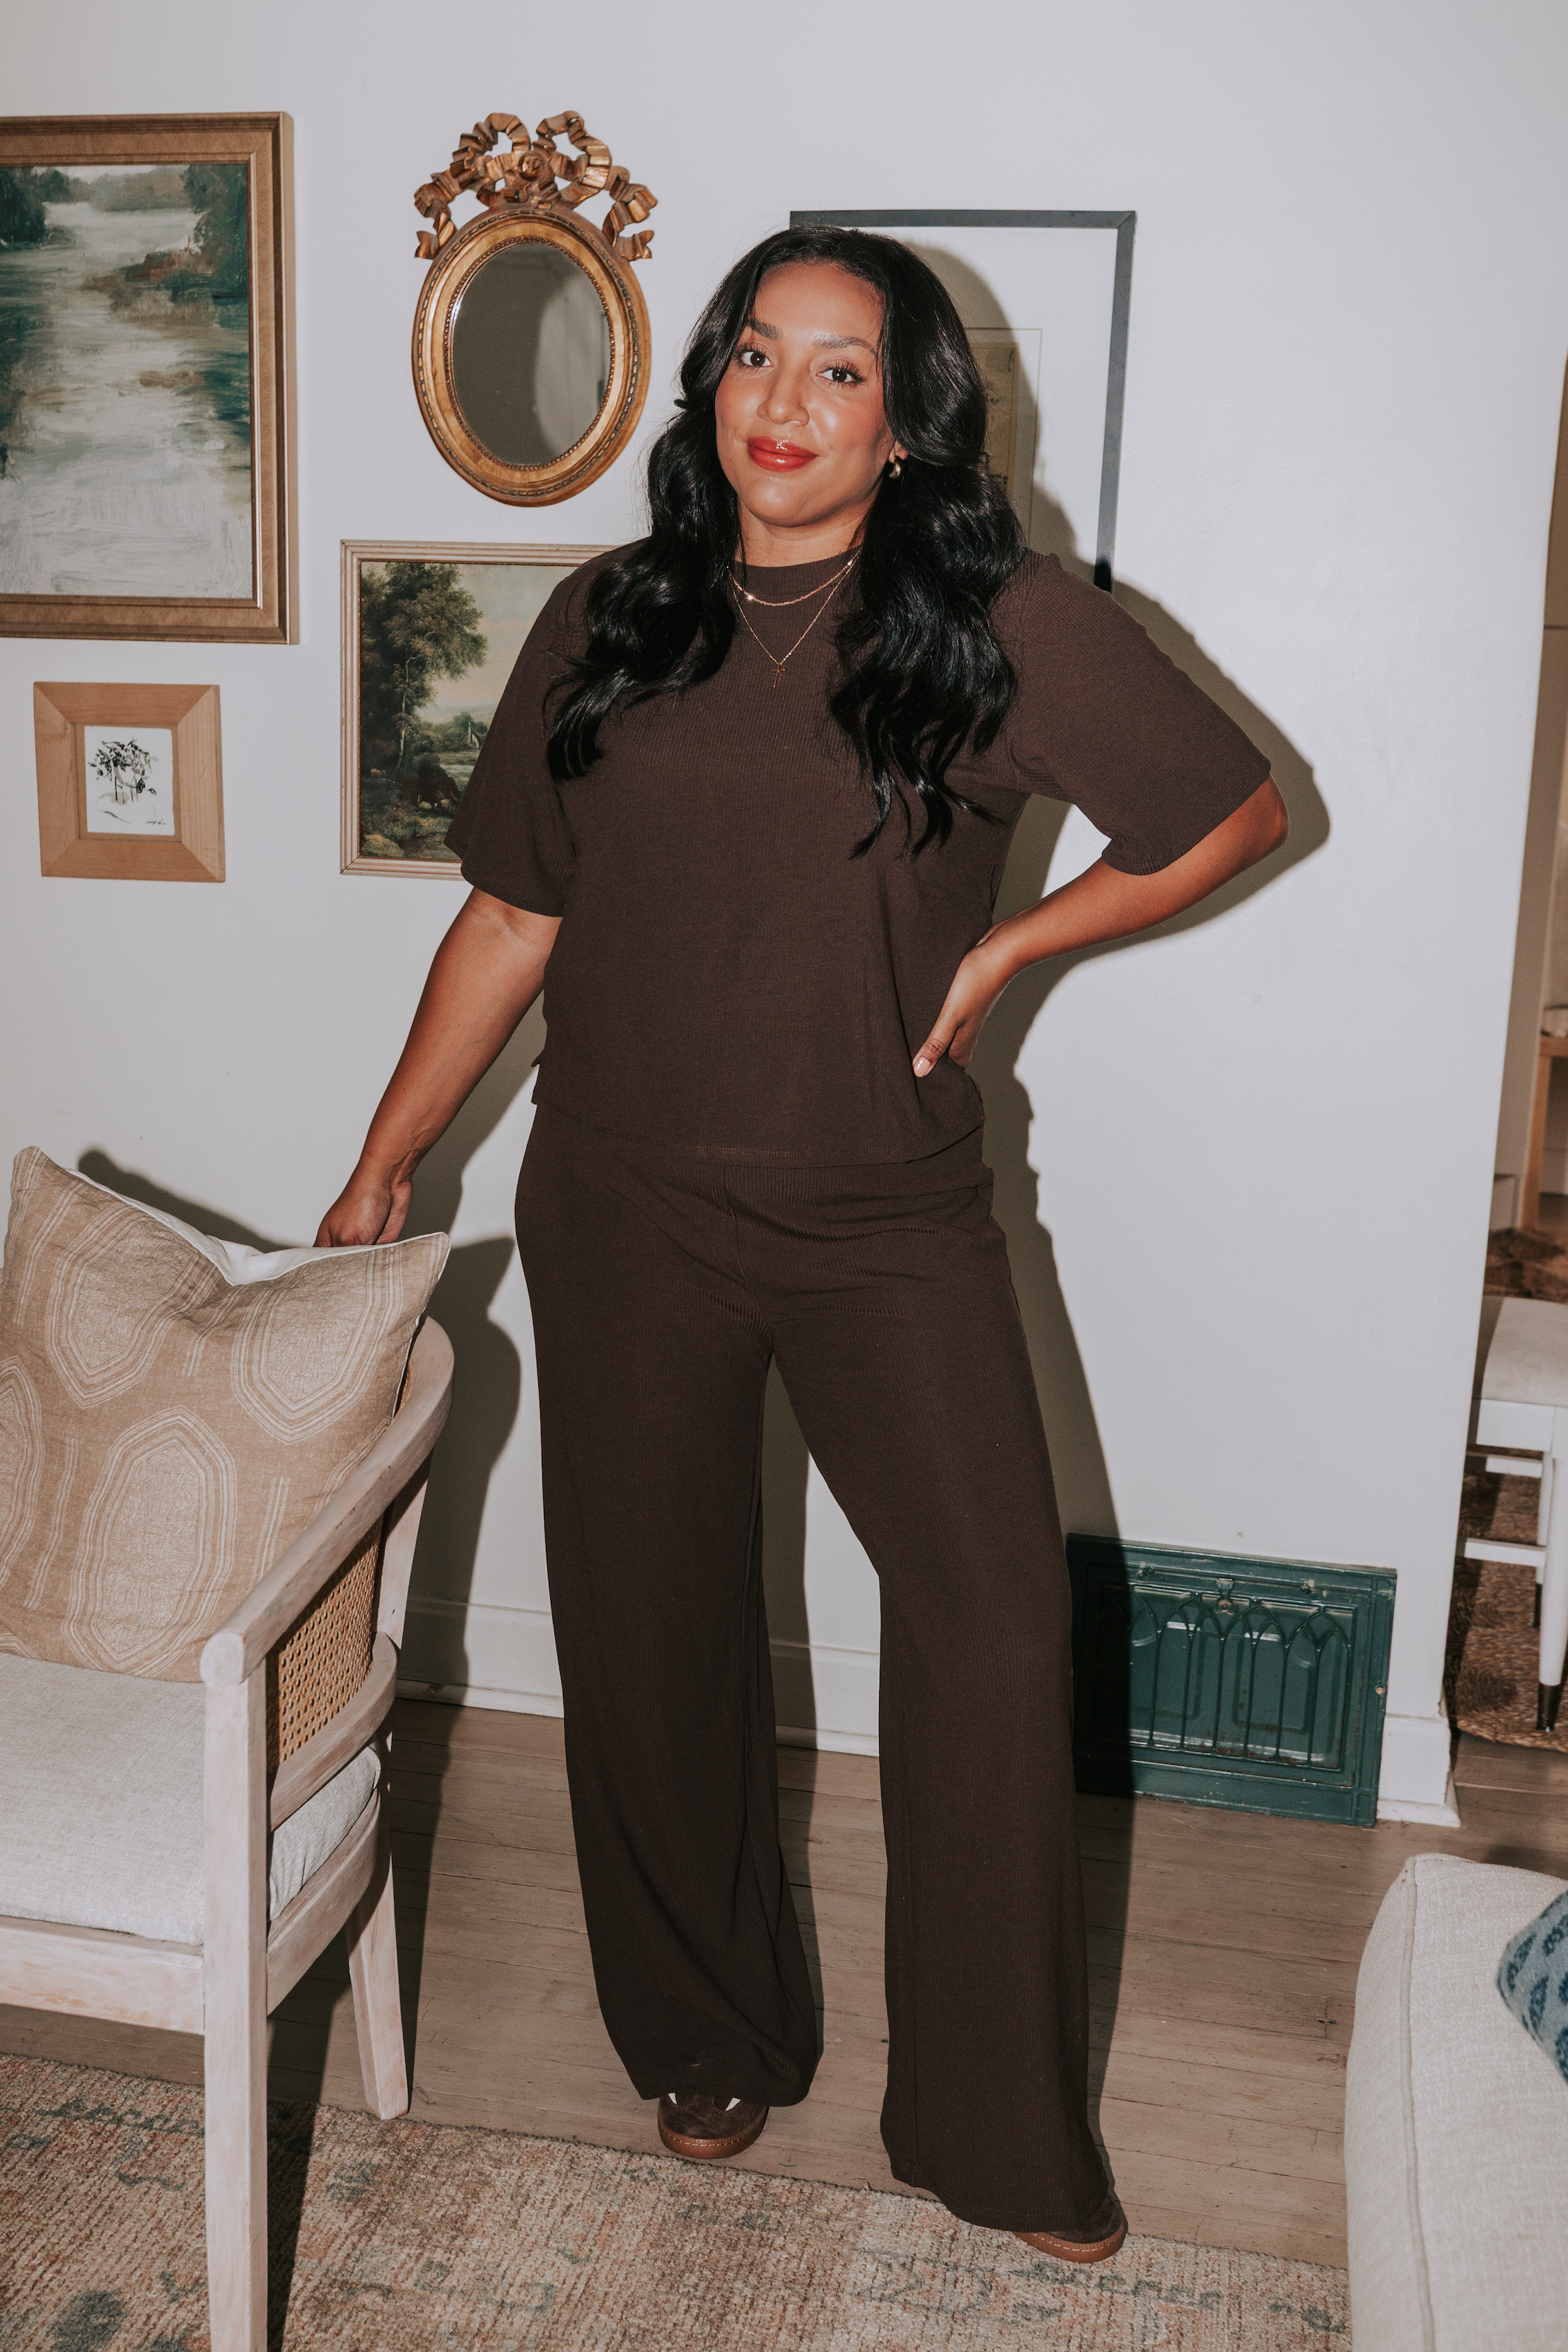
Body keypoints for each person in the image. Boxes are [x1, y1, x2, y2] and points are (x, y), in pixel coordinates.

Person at [319, 225, 1287, 2261]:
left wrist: (1017, 945)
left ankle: (996, 2128)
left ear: (907, 420)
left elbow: (1225, 809)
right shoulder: (610, 617)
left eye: (839, 370)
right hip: (624, 1209)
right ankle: (708, 2034)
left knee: (997, 1633)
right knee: (651, 1631)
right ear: (712, 383)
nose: (783, 401)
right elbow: (515, 909)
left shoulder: (998, 620)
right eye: (757, 354)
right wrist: (386, 1155)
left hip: (887, 1221)